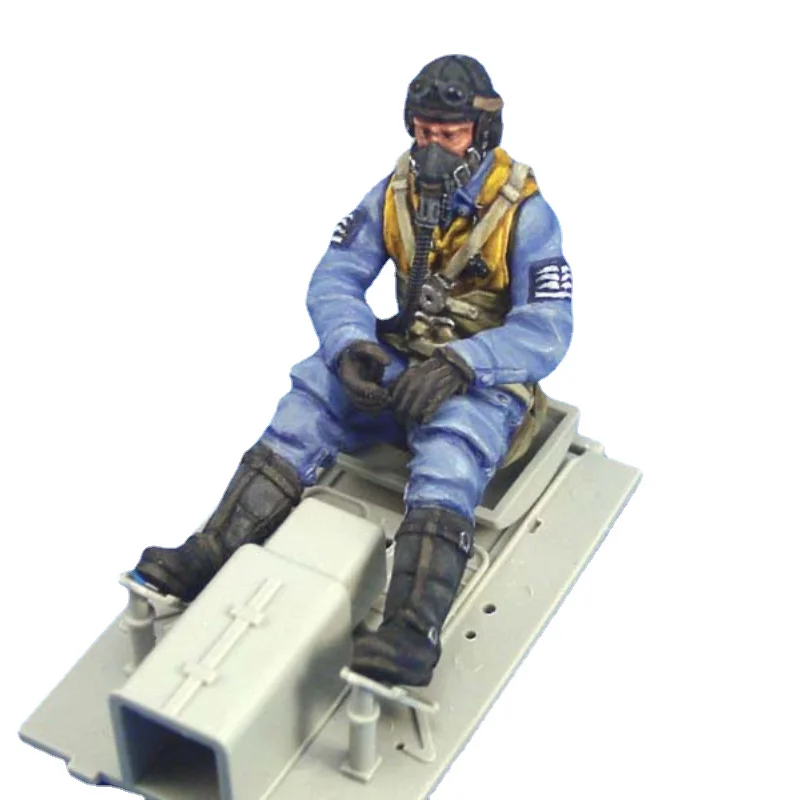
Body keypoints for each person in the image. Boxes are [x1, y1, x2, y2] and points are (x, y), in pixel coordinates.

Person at [133, 54, 573, 687]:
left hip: (481, 381)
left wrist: (465, 363)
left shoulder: (523, 212)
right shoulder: (394, 195)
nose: (432, 148)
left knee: (452, 452)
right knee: (313, 393)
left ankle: (411, 632)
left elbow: (548, 327)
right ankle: (213, 548)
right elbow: (337, 275)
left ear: (481, 134)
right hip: (404, 357)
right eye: (423, 131)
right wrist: (349, 344)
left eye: (448, 135)